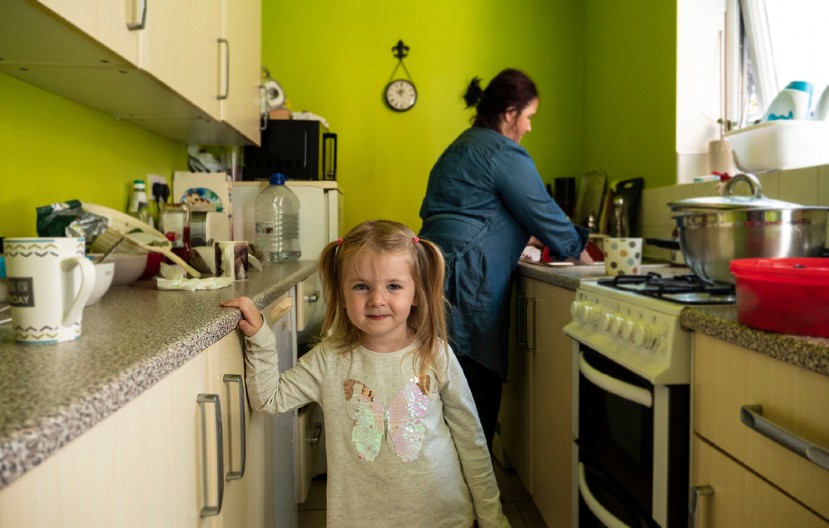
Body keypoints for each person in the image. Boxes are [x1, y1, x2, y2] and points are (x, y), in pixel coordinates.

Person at [221, 220, 509, 528]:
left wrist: (493, 518)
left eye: (393, 286)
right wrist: (260, 338)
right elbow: (270, 399)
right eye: (361, 286)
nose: (376, 299)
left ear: (415, 293)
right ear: (343, 295)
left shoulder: (435, 354)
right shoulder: (329, 359)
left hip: (443, 516)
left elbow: (471, 440)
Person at [419, 68, 593, 449]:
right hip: (467, 276)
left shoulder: (462, 145)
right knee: (473, 386)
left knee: (441, 388)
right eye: (529, 116)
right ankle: (470, 499)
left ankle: (444, 493)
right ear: (511, 113)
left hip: (434, 269)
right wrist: (587, 261)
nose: (529, 127)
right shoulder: (502, 151)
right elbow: (544, 213)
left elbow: (476, 214)